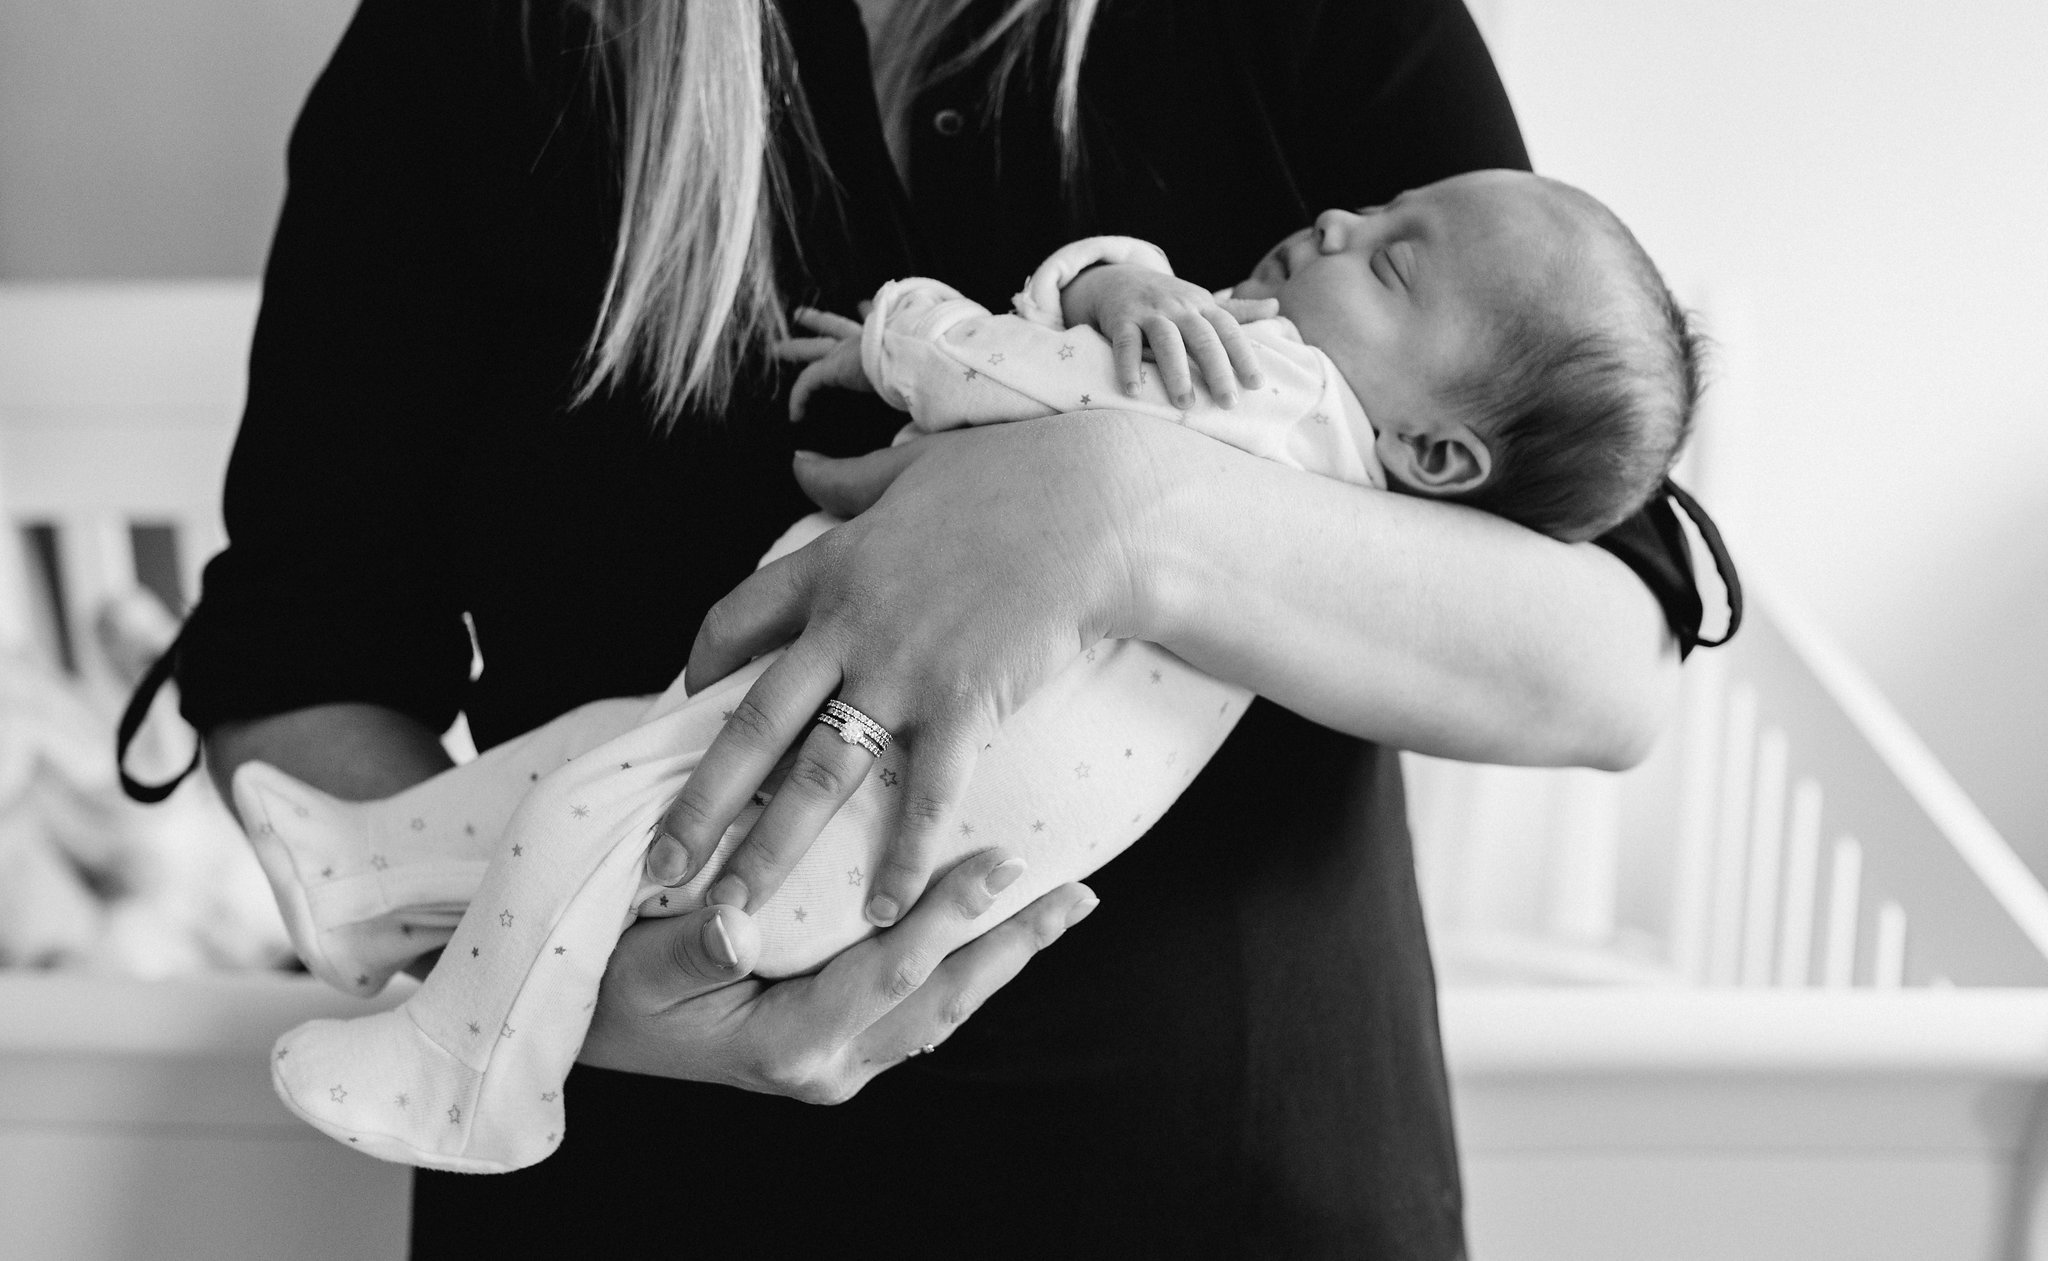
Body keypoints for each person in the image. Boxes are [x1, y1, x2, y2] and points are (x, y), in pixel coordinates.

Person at [171, 0, 1724, 1253]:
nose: (1348, 238)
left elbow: (1600, 653)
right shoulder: (472, 28)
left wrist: (1120, 510)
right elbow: (301, 656)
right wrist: (568, 997)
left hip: (1233, 1198)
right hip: (655, 1194)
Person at [240, 171, 1703, 1172]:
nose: (1334, 215)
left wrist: (905, 337)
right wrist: (1121, 279)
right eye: (1377, 206)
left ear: (1445, 453)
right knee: (588, 771)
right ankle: (374, 882)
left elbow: (1018, 376)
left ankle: (472, 1065)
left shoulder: (1279, 392)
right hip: (845, 928)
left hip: (927, 887)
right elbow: (306, 623)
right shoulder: (1329, 440)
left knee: (579, 805)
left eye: (1389, 253)